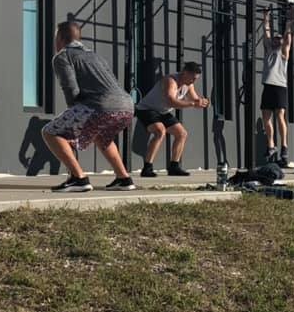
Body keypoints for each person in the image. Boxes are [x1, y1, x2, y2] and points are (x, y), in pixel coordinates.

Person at [41, 22, 135, 193]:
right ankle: (124, 178)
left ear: (60, 38)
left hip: (100, 105)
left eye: (56, 38)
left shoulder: (63, 56)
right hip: (127, 106)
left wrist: (73, 118)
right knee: (103, 137)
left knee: (50, 132)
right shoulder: (96, 56)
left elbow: (70, 88)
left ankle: (79, 178)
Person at [135, 61, 209, 177]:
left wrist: (202, 102)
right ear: (185, 73)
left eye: (196, 79)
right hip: (146, 109)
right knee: (160, 131)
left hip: (163, 111)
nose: (193, 81)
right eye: (192, 78)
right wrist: (192, 104)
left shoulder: (189, 85)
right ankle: (147, 169)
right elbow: (171, 101)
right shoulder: (170, 80)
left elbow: (194, 99)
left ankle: (174, 167)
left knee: (182, 134)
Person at [260, 7, 291, 166]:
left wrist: (289, 22)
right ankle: (271, 145)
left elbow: (288, 38)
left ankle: (284, 147)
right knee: (266, 118)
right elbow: (266, 32)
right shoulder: (268, 49)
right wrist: (266, 17)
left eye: (279, 39)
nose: (277, 40)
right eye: (275, 38)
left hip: (279, 86)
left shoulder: (284, 52)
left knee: (280, 116)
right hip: (268, 85)